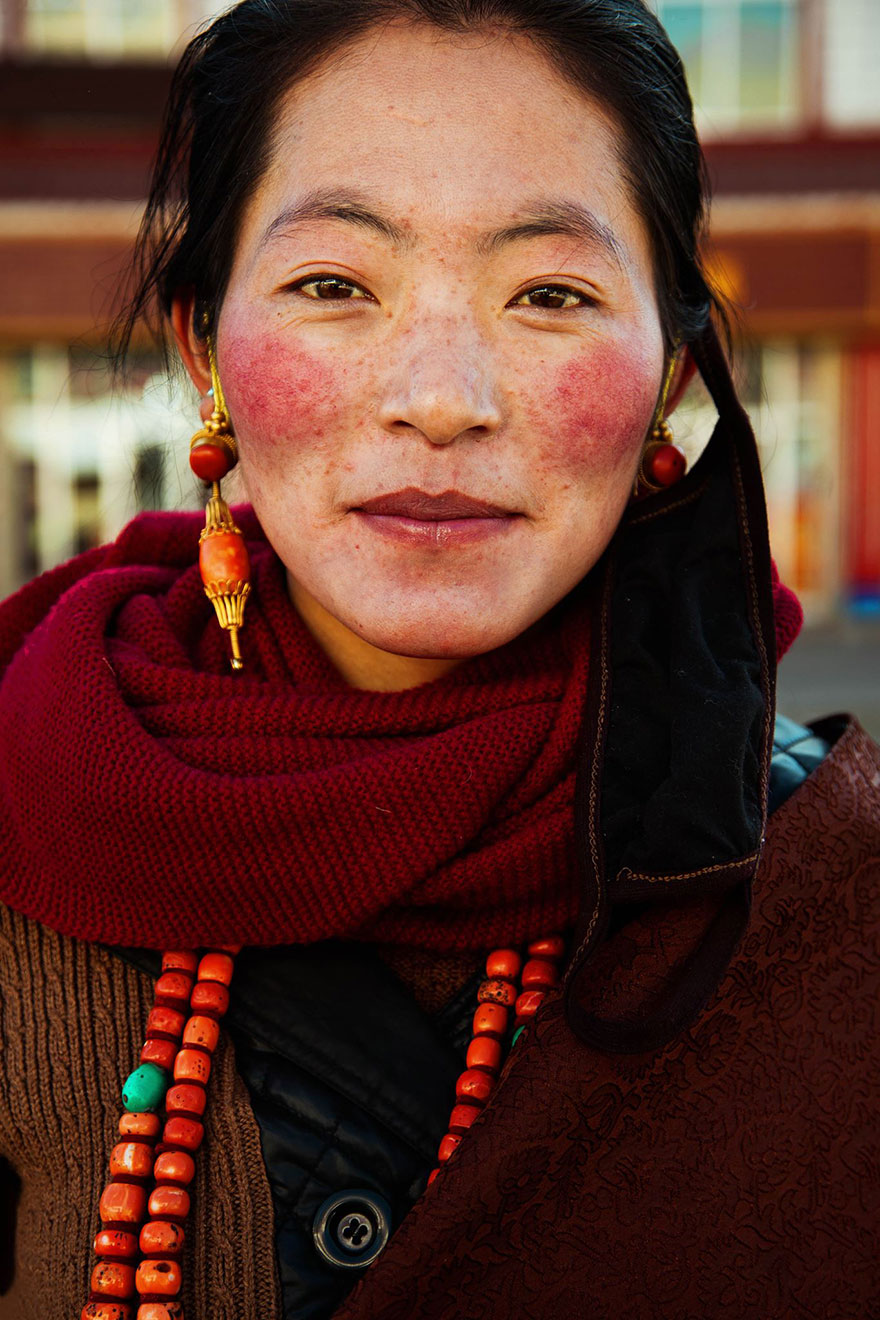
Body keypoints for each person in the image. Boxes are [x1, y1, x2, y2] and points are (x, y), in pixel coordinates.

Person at [0, 1, 877, 1317]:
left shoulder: (827, 890)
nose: (441, 395)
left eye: (549, 294)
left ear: (673, 375)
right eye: (335, 285)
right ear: (203, 345)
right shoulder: (30, 802)